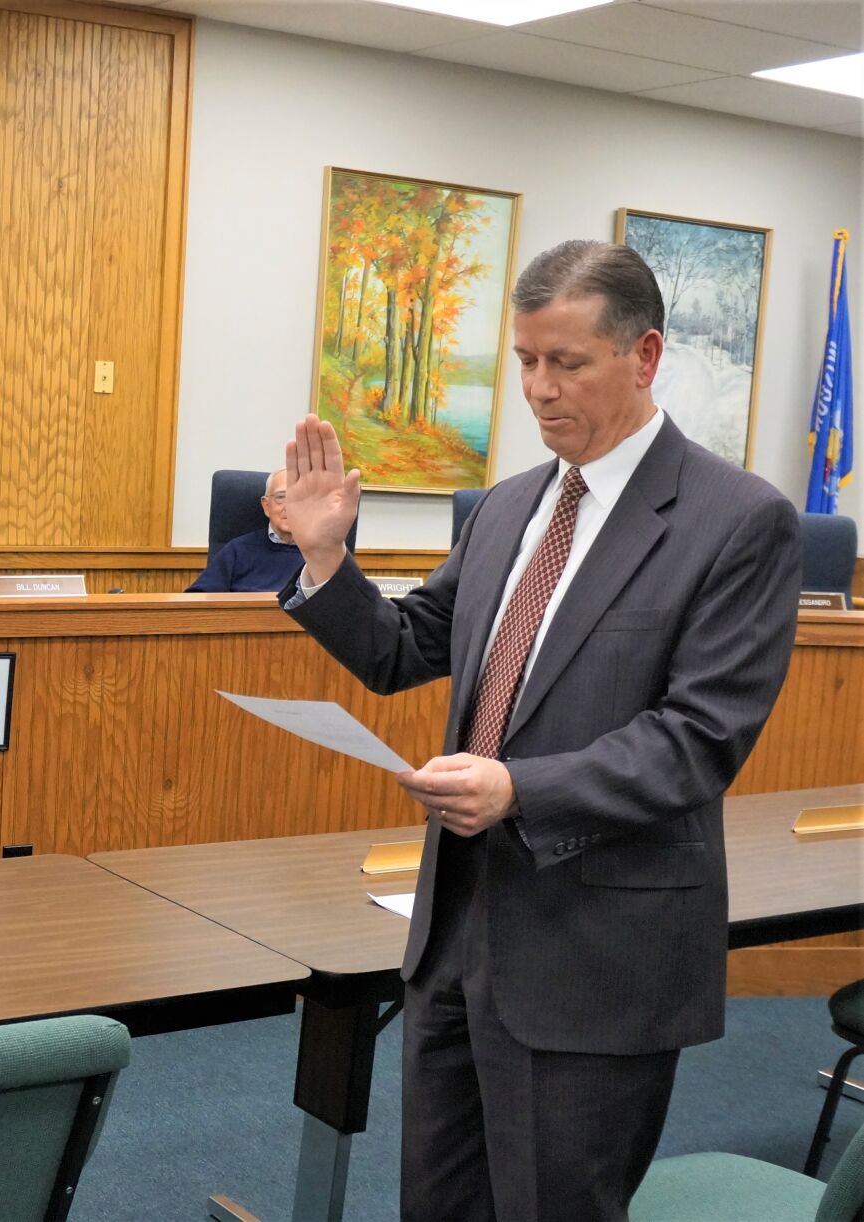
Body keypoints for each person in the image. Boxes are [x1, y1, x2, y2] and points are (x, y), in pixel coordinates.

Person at [280, 240, 800, 1221]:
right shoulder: (506, 506)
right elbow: (404, 647)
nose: (537, 389)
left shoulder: (736, 522)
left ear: (642, 356)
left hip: (594, 954)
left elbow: (696, 739)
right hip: (454, 939)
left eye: (566, 363)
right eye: (523, 361)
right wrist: (322, 561)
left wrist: (521, 789)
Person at [186, 468, 305, 592]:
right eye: (281, 497)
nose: (290, 506)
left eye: (299, 497)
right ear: (266, 506)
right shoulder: (238, 550)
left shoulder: (323, 553)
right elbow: (197, 599)